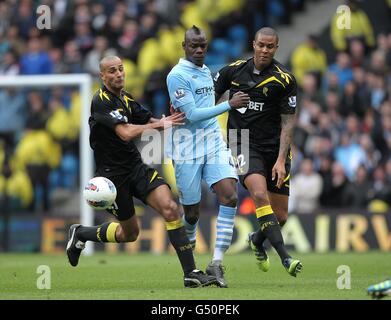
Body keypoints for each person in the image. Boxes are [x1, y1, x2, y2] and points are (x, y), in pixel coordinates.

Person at [66, 55, 218, 288]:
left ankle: (191, 273)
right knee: (130, 234)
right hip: (113, 177)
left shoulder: (126, 99)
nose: (118, 74)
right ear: (103, 76)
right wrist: (159, 125)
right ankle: (82, 233)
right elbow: (126, 133)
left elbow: (149, 119)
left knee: (170, 209)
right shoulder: (101, 101)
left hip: (136, 168)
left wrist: (175, 121)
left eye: (120, 69)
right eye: (112, 71)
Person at [214, 27, 302, 277]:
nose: (264, 50)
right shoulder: (232, 71)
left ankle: (257, 239)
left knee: (281, 216)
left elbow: (288, 123)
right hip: (240, 140)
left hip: (274, 147)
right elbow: (208, 100)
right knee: (259, 193)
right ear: (253, 44)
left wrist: (280, 160)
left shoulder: (284, 79)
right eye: (261, 45)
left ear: (276, 48)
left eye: (270, 46)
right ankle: (286, 258)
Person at [166, 26, 250, 288]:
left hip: (213, 142)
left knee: (230, 194)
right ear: (184, 46)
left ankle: (215, 263)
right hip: (186, 148)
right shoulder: (177, 76)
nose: (200, 50)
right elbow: (190, 115)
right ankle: (189, 243)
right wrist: (229, 104)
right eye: (194, 46)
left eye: (203, 46)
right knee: (191, 213)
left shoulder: (205, 71)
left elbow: (203, 108)